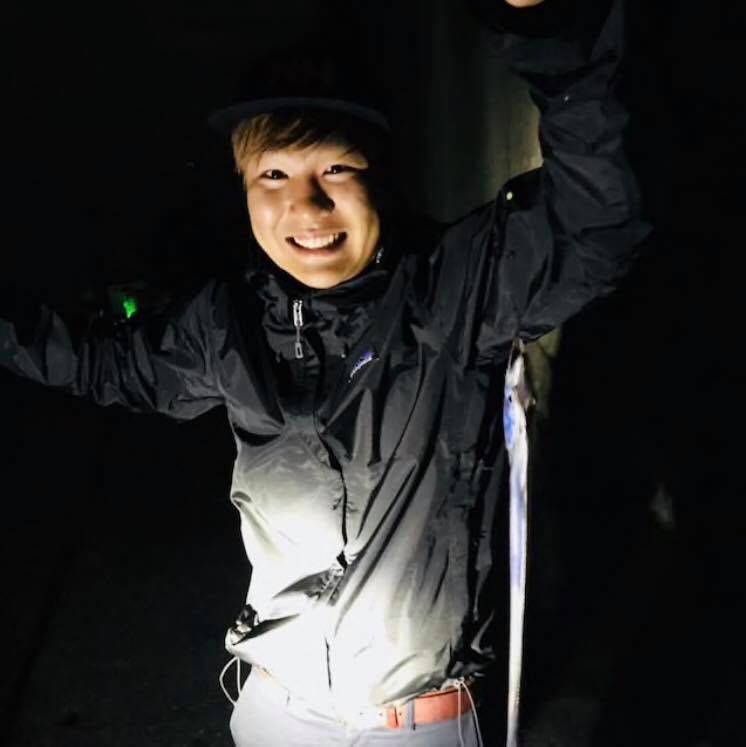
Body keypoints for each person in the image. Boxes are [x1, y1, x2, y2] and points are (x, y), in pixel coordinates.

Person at [0, 0, 649, 744]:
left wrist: (545, 28)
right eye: (273, 173)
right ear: (245, 189)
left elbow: (597, 223)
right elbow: (95, 361)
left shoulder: (456, 291)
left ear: (384, 177)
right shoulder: (226, 322)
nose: (305, 205)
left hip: (417, 726)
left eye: (336, 167)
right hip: (275, 713)